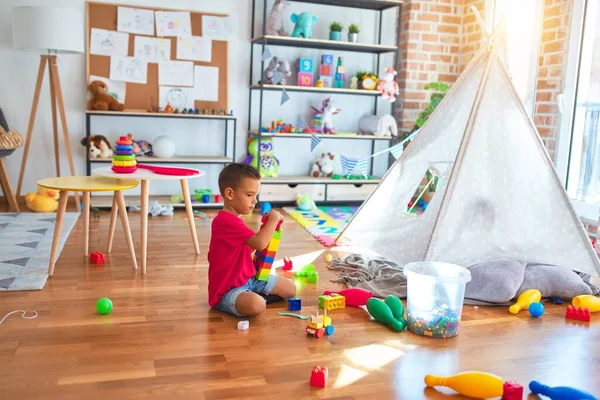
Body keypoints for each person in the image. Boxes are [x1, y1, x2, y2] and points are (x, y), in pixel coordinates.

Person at [208, 163, 297, 316]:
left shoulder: (236, 220)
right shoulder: (225, 221)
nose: (254, 201)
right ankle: (250, 299)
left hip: (250, 279)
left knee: (291, 290)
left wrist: (267, 228)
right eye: (249, 195)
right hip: (228, 290)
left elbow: (252, 246)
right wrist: (273, 219)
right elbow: (260, 243)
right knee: (257, 305)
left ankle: (252, 295)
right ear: (230, 194)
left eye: (255, 195)